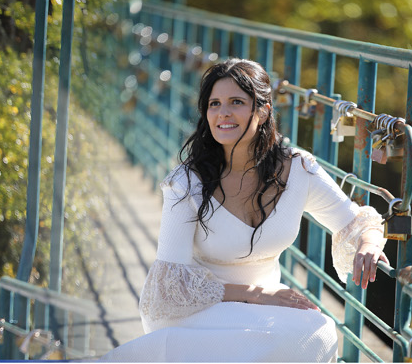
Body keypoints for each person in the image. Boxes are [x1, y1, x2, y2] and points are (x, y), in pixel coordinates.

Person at [103, 59, 389, 362]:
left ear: (263, 110)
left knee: (320, 330)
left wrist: (369, 244)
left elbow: (354, 219)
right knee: (290, 337)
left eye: (236, 102)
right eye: (214, 104)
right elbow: (170, 287)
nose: (223, 113)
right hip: (193, 309)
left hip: (264, 306)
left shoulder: (299, 169)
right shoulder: (186, 182)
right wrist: (256, 293)